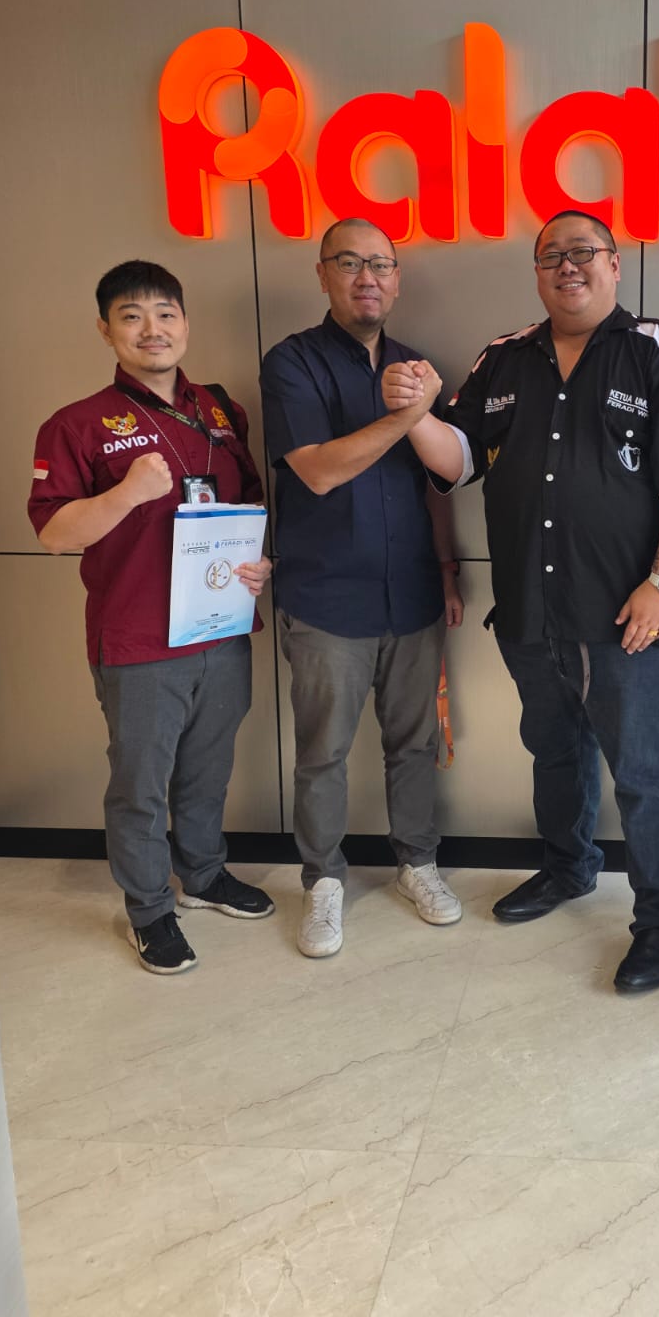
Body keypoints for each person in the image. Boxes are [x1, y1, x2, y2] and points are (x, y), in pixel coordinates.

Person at [381, 210, 659, 992]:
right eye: (551, 257)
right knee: (555, 752)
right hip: (530, 610)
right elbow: (458, 458)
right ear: (537, 273)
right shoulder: (505, 357)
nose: (568, 267)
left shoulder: (656, 351)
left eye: (584, 252)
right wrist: (412, 416)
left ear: (615, 264)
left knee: (644, 772)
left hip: (626, 619)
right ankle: (568, 867)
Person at [28, 260, 274, 974]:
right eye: (131, 316)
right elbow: (54, 534)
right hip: (138, 640)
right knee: (139, 784)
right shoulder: (76, 424)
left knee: (207, 769)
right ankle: (149, 910)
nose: (152, 329)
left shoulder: (220, 411)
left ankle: (203, 875)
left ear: (185, 324)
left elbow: (248, 503)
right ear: (105, 330)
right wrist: (126, 494)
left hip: (221, 627)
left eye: (165, 313)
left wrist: (261, 562)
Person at [260, 218, 463, 959]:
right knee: (323, 753)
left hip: (411, 594)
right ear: (323, 275)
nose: (366, 278)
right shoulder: (293, 363)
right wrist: (407, 414)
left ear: (397, 279)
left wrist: (447, 569)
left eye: (380, 264)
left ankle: (418, 863)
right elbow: (317, 471)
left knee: (414, 744)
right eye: (349, 263)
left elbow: (440, 480)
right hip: (325, 601)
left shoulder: (417, 367)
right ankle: (323, 881)